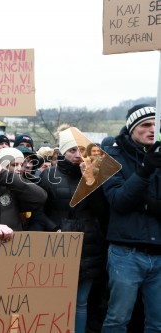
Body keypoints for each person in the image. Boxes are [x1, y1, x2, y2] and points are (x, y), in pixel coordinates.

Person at [36, 127, 108, 333]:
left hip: (88, 246)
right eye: (73, 150)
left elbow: (102, 212)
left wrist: (90, 181)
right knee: (56, 299)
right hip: (57, 245)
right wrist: (54, 228)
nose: (78, 155)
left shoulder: (94, 176)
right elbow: (39, 212)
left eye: (82, 150)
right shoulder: (48, 176)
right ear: (63, 152)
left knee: (81, 302)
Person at [101, 104, 161, 333]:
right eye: (146, 125)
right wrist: (145, 170)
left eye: (157, 125)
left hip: (159, 252)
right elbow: (119, 201)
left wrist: (145, 203)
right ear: (132, 128)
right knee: (117, 320)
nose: (152, 130)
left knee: (157, 323)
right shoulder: (109, 158)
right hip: (126, 252)